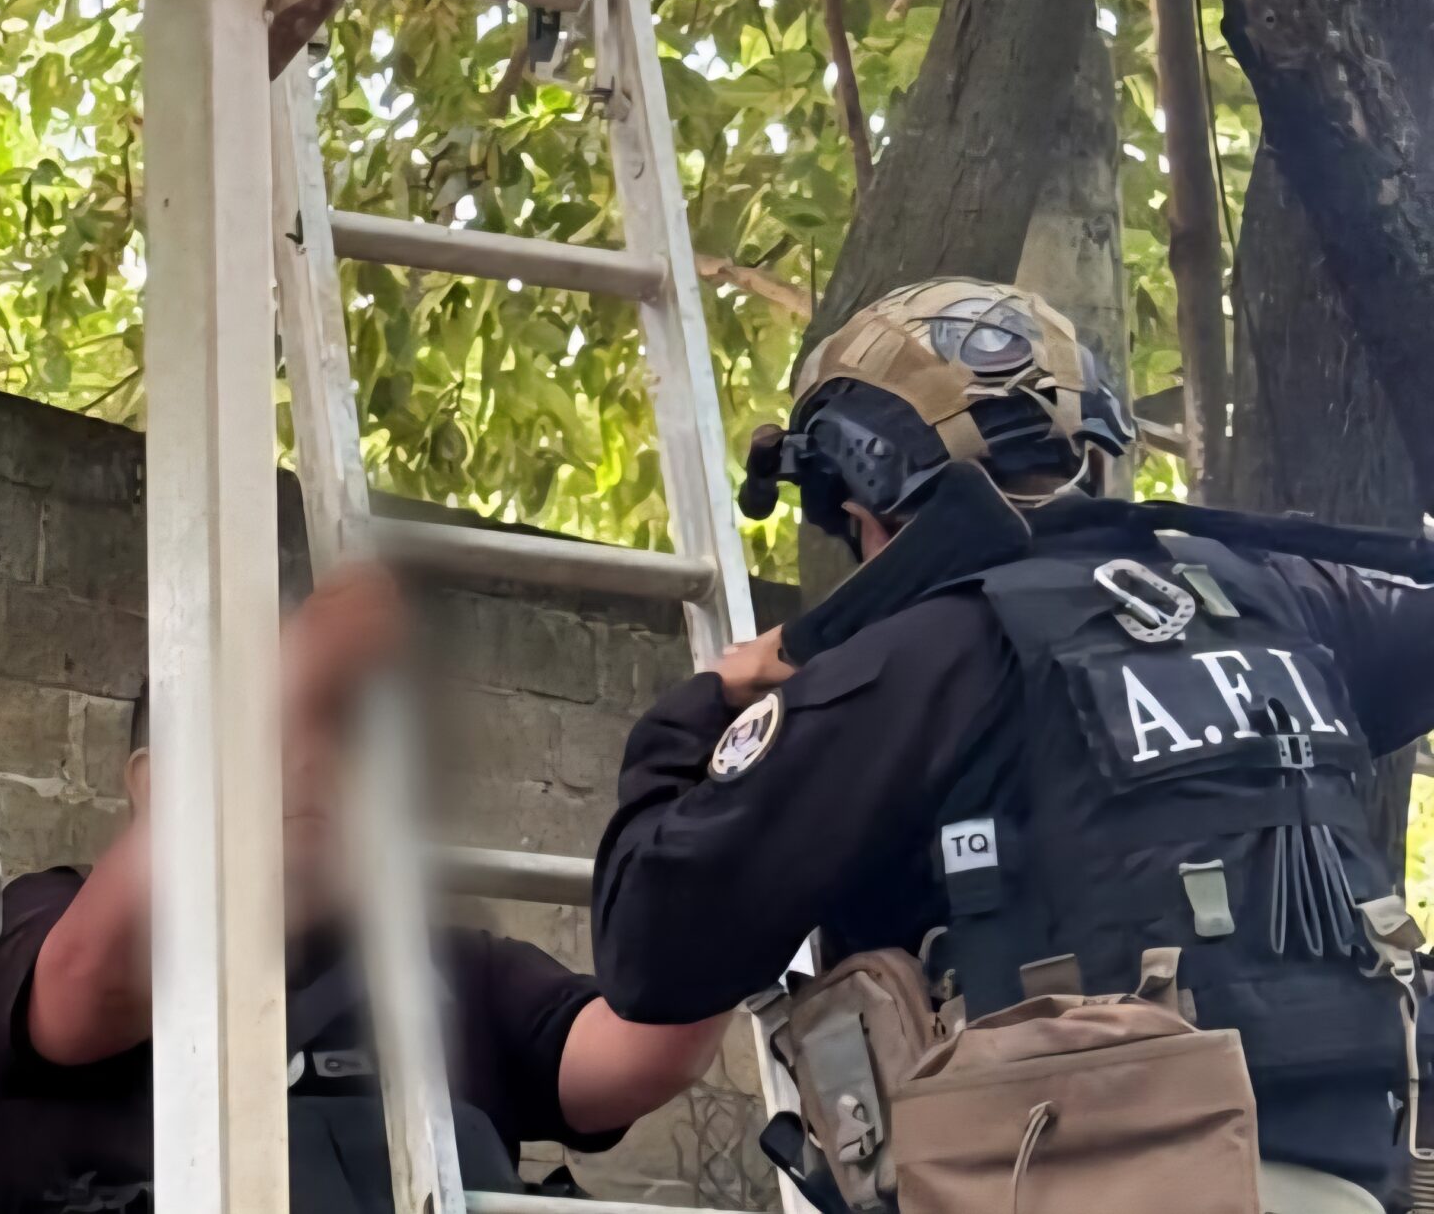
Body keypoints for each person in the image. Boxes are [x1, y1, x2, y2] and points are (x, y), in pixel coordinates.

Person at [591, 276, 1434, 1214]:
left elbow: (651, 945)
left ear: (866, 509)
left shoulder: (917, 663)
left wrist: (703, 707)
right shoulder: (1281, 602)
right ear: (1091, 455)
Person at [0, 565, 729, 1214]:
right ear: (155, 785)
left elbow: (641, 1048)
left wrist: (740, 803)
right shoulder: (38, 923)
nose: (309, 759)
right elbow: (88, 984)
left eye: (335, 729)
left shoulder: (449, 966)